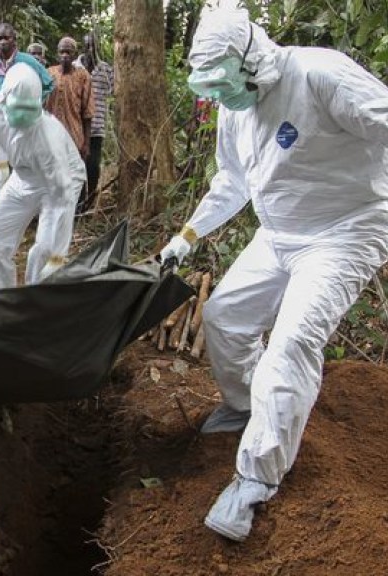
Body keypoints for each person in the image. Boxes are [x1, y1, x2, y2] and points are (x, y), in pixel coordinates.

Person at [159, 8, 388, 542]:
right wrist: (185, 237)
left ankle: (255, 480)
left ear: (250, 60)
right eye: (209, 87)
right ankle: (243, 406)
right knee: (223, 317)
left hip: (344, 230)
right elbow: (232, 183)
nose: (219, 96)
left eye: (223, 83)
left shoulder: (318, 74)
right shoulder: (236, 109)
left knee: (290, 345)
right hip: (278, 231)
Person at [0, 63, 85, 289]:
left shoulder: (48, 139)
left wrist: (58, 255)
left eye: (29, 110)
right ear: (4, 100)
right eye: (17, 108)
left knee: (42, 254)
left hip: (59, 182)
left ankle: (35, 306)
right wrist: (2, 165)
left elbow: (62, 199)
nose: (22, 117)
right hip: (23, 175)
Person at [0, 23, 53, 204]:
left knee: (21, 172)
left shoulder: (26, 61)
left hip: (20, 128)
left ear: (15, 39)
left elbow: (49, 83)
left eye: (7, 37)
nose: (3, 41)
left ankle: (21, 214)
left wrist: (31, 104)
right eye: (0, 38)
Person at [74, 33, 114, 212]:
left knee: (93, 166)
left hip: (97, 128)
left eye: (94, 46)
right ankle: (78, 203)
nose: (91, 49)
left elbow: (114, 92)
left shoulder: (105, 70)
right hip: (76, 128)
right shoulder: (75, 67)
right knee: (77, 166)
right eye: (88, 45)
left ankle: (89, 203)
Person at [45, 37, 94, 160]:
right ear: (57, 53)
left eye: (68, 52)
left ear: (74, 55)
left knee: (74, 176)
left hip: (74, 138)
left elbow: (88, 111)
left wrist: (87, 144)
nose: (65, 55)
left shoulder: (83, 76)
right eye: (62, 52)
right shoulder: (48, 74)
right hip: (51, 138)